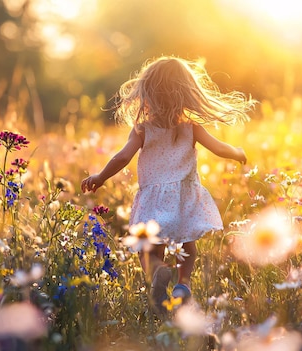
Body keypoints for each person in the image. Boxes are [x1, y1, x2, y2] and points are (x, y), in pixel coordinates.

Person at [80, 56, 255, 313]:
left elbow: (122, 157)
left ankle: (159, 272)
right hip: (185, 198)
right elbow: (219, 148)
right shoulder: (191, 127)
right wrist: (237, 152)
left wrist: (100, 177)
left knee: (149, 250)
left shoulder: (142, 129)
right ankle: (183, 284)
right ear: (186, 93)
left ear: (147, 93)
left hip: (153, 202)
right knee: (188, 247)